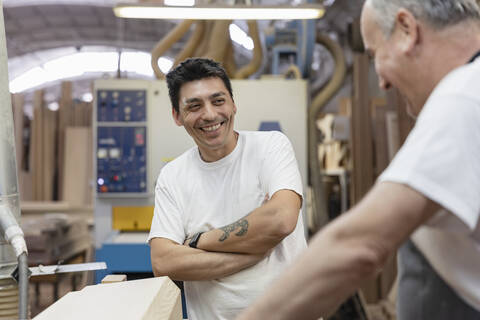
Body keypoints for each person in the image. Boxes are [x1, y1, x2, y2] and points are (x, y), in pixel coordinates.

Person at [238, 0, 480, 319]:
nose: (382, 83)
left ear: (407, 30)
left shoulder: (463, 97)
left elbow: (357, 246)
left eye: (374, 55)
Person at [148, 58, 307, 320]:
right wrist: (248, 255)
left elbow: (280, 220)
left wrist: (199, 241)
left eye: (218, 101)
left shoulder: (271, 146)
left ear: (233, 104)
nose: (210, 114)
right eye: (194, 106)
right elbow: (164, 262)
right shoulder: (173, 176)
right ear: (177, 116)